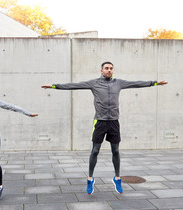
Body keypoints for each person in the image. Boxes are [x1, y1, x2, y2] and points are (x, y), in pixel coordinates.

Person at [42, 61, 167, 195]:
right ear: (101, 70)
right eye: (106, 68)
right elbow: (74, 86)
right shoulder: (93, 83)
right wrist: (54, 86)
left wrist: (155, 83)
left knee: (116, 151)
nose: (109, 70)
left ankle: (117, 178)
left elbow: (136, 83)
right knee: (95, 151)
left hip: (114, 121)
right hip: (100, 122)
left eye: (111, 68)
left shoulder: (119, 83)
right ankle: (90, 179)